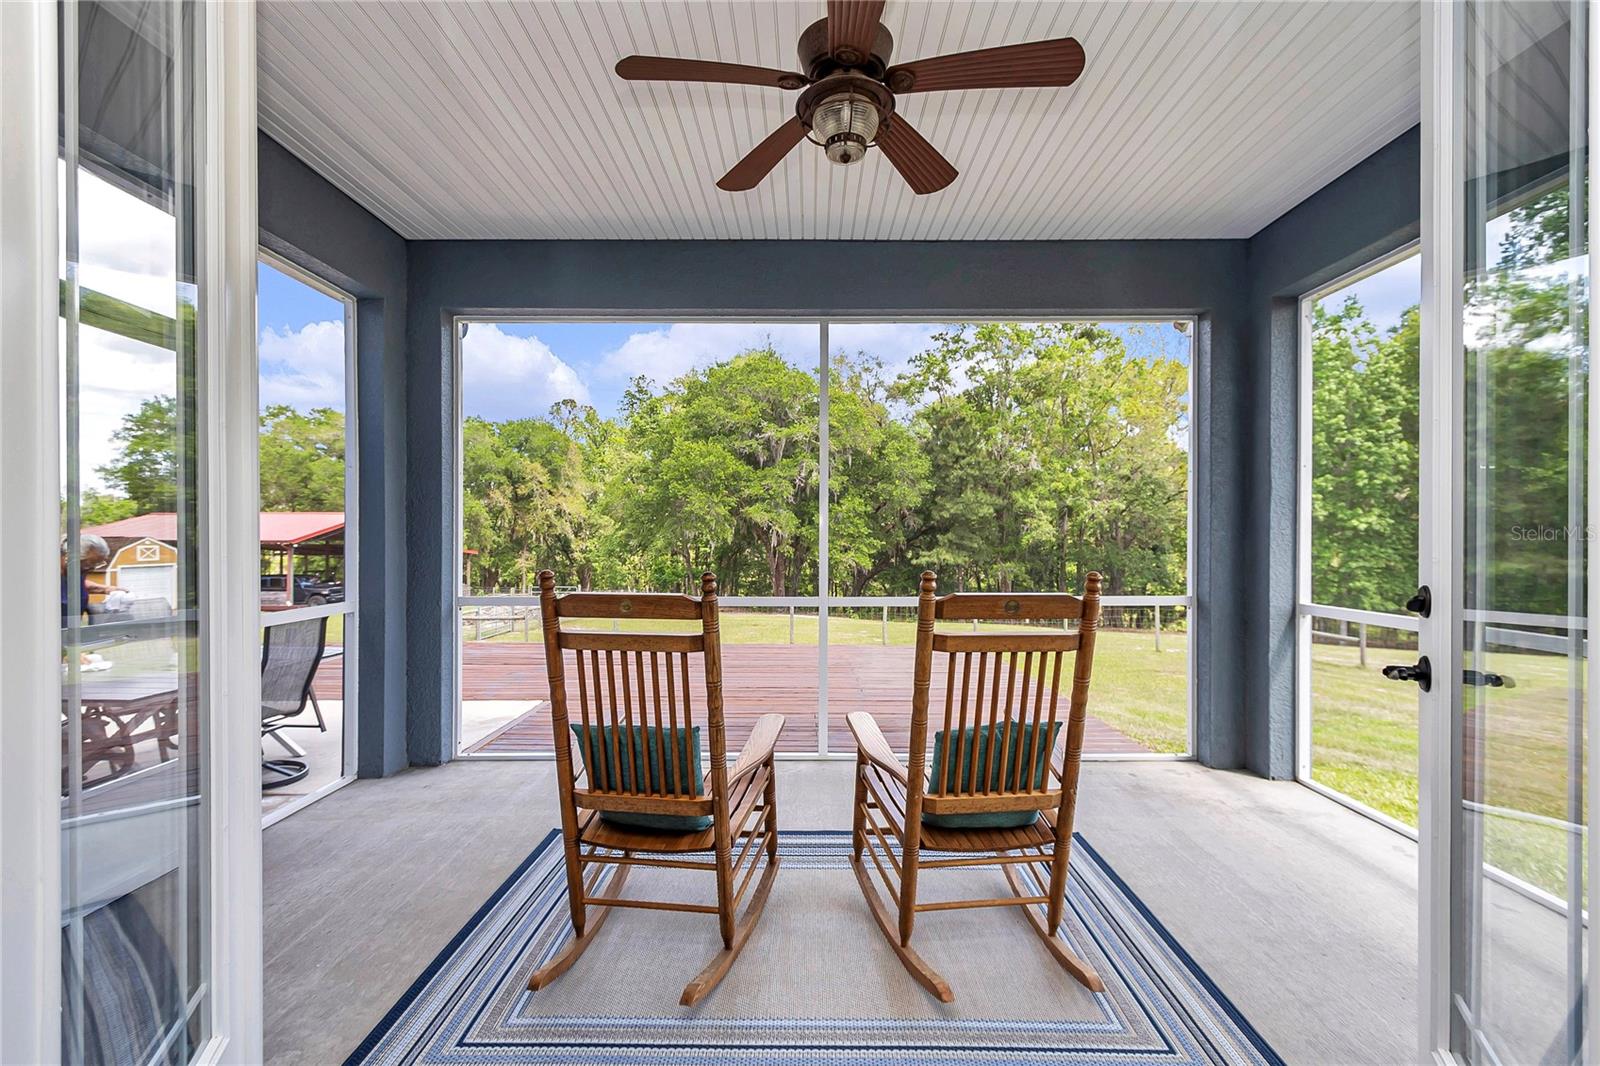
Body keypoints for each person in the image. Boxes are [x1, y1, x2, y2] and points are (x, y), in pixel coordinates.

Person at [61, 533, 112, 623]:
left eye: (97, 564)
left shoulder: (77, 572)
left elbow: (78, 585)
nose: (92, 568)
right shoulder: (43, 576)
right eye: (89, 563)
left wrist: (106, 589)